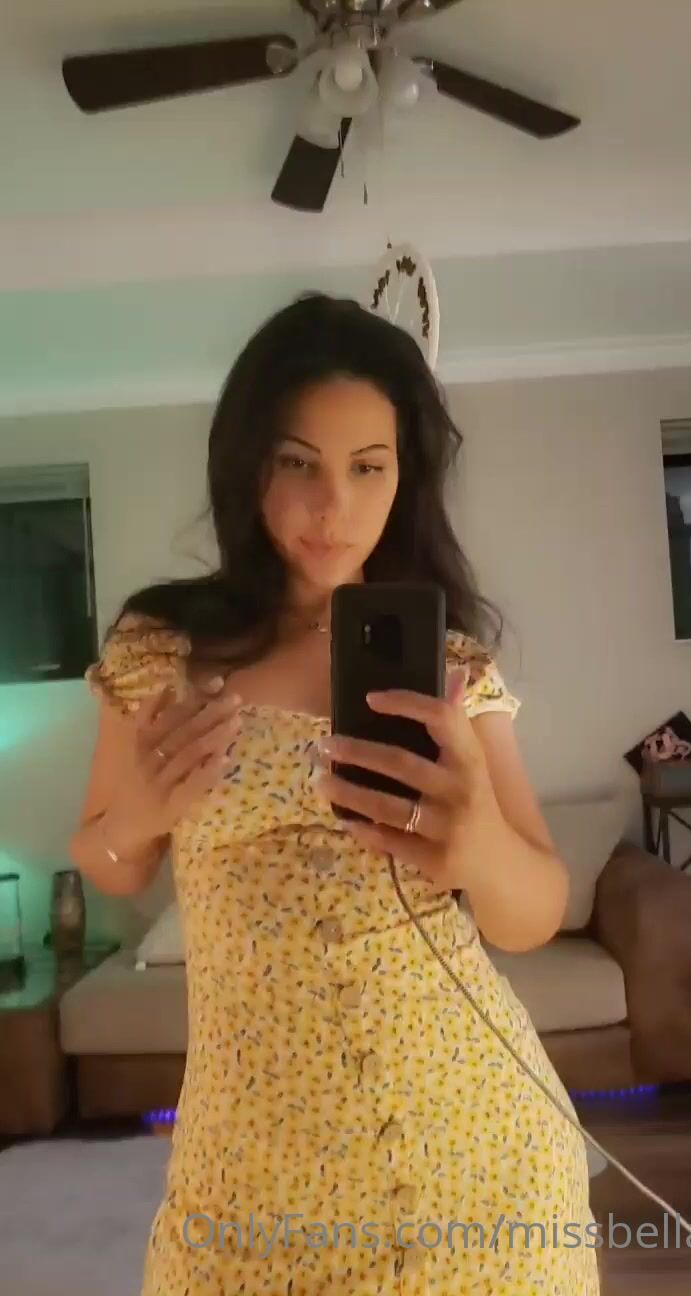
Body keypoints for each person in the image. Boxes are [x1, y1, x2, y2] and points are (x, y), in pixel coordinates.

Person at [70, 294, 599, 1294]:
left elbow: (534, 913)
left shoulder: (451, 667)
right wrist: (136, 815)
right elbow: (108, 863)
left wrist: (479, 844)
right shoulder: (161, 651)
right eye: (297, 462)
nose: (333, 508)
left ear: (405, 477)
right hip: (253, 1177)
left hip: (480, 1157)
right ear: (247, 464)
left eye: (368, 467)